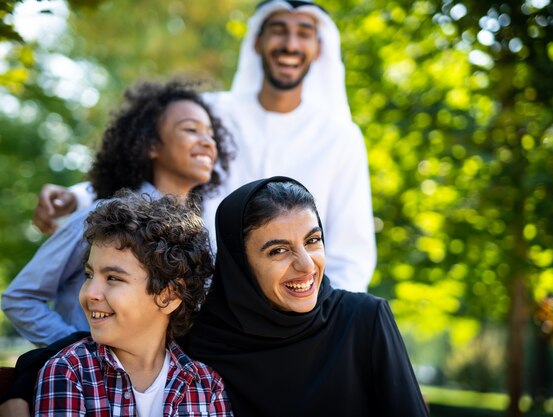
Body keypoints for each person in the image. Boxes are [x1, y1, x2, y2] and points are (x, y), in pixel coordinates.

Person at [32, 0, 376, 293]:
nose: (290, 44)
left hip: (298, 308)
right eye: (278, 30)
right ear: (256, 41)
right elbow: (152, 177)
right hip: (201, 302)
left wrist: (320, 320)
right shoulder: (213, 113)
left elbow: (351, 252)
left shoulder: (340, 136)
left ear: (319, 49)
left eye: (304, 33)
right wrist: (77, 196)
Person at [1, 80, 232, 347]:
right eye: (191, 129)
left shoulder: (202, 234)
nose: (207, 142)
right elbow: (20, 297)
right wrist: (81, 350)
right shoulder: (104, 217)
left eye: (211, 134)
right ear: (151, 145)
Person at [180, 176, 429, 417]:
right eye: (279, 250)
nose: (307, 265)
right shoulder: (198, 343)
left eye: (312, 240)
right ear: (239, 264)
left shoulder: (364, 320)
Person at [34, 192, 233, 416]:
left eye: (113, 278)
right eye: (89, 275)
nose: (90, 293)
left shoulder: (206, 386)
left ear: (168, 295)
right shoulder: (68, 373)